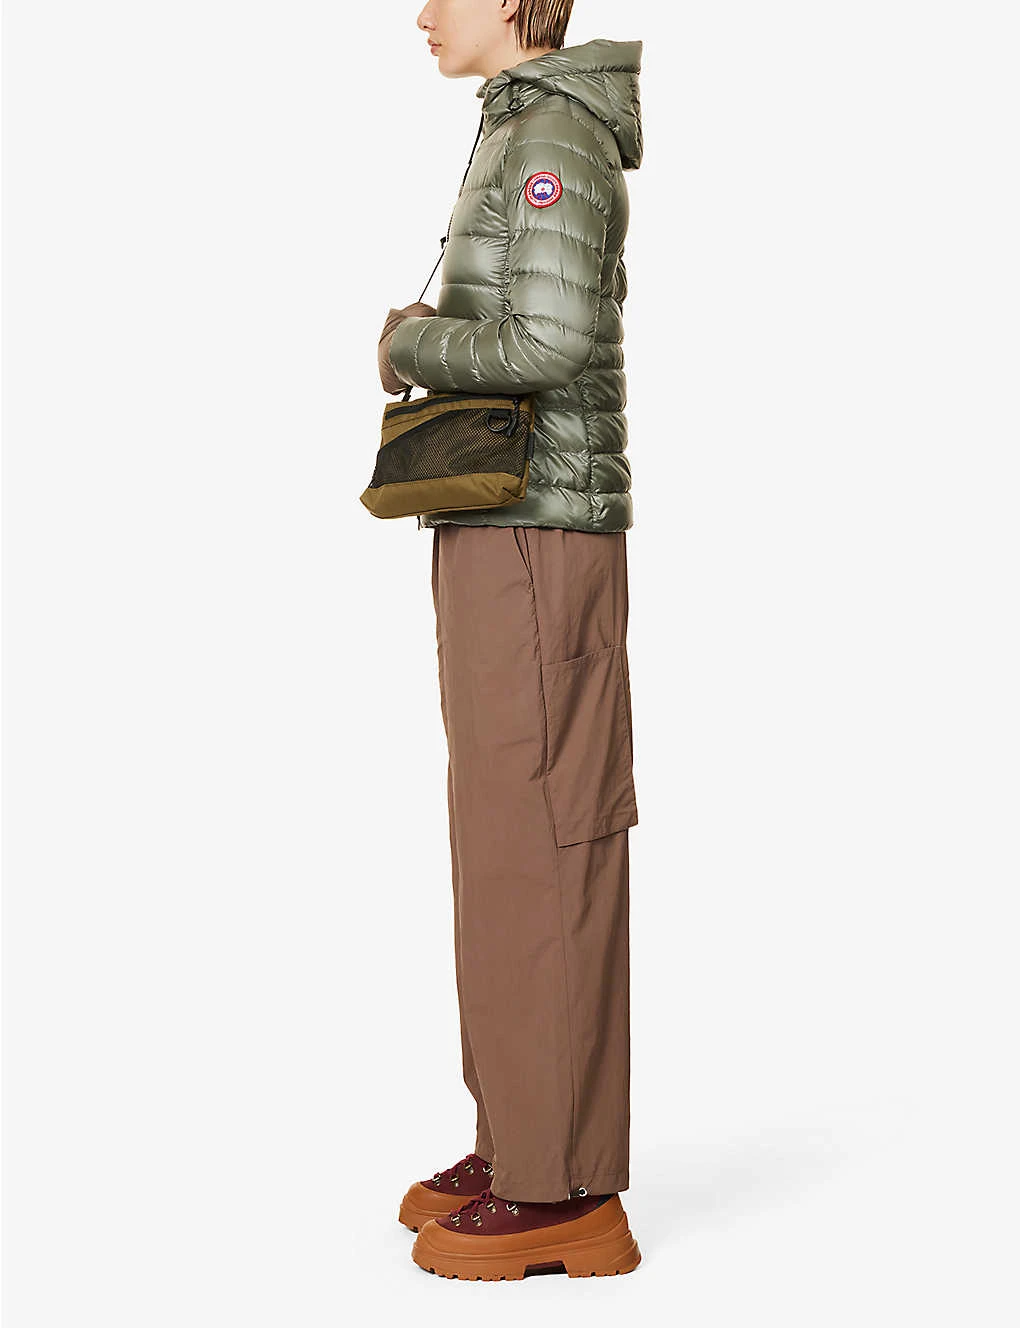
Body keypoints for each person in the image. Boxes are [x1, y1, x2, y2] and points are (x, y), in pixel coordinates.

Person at [377, 0, 644, 1281]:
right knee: (504, 844)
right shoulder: (519, 123)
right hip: (503, 517)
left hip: (540, 533)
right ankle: (523, 1140)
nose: (424, 14)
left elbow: (550, 339)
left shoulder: (551, 136)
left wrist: (406, 340)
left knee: (541, 841)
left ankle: (564, 1192)